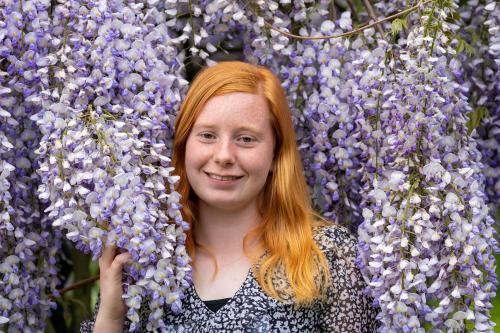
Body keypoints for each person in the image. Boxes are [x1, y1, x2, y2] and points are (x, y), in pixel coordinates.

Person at [81, 61, 379, 332]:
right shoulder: (150, 267)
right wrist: (111, 318)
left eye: (246, 139)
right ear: (184, 146)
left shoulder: (328, 255)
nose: (223, 155)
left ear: (276, 153)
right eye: (207, 135)